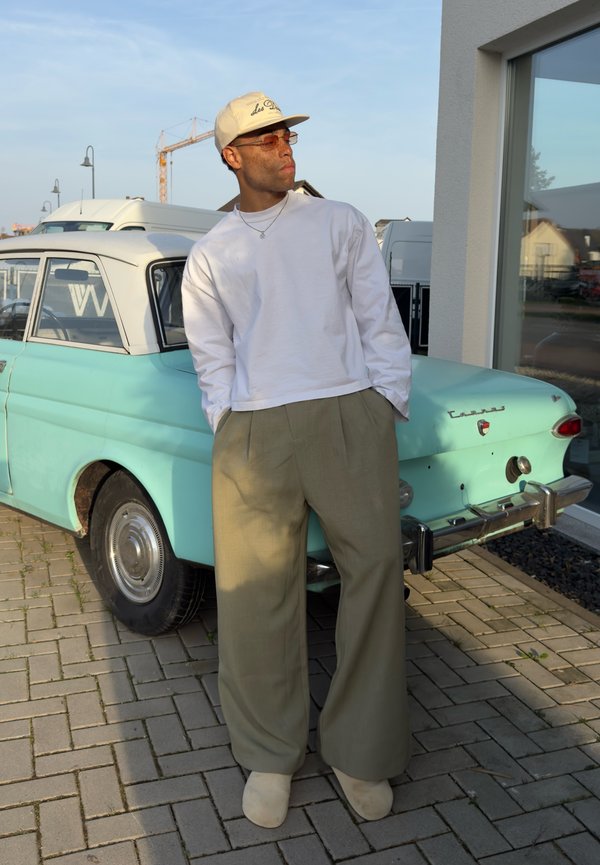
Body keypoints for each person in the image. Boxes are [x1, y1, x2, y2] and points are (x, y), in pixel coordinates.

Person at [182, 91, 412, 829]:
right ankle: (270, 753)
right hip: (253, 431)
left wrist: (384, 407)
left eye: (286, 133)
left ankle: (360, 748)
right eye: (266, 137)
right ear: (232, 155)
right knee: (256, 593)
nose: (285, 146)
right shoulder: (212, 249)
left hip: (348, 413)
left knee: (375, 569)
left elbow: (380, 318)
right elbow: (209, 350)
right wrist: (230, 421)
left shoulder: (338, 221)